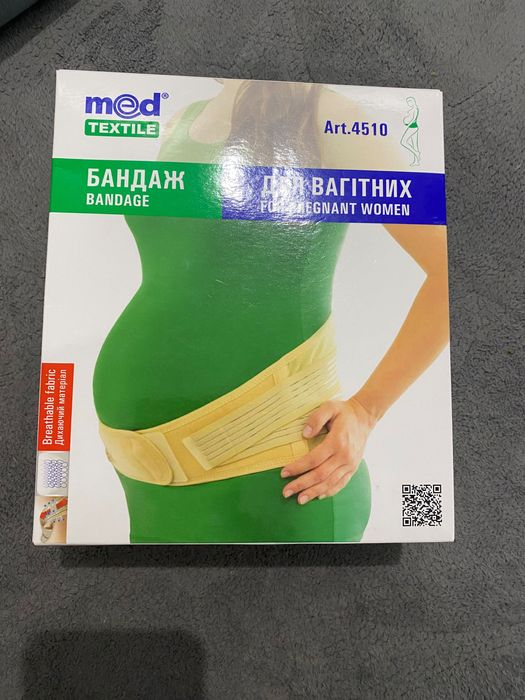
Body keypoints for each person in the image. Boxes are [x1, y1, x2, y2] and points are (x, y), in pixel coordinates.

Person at [93, 79, 449, 543]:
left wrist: (366, 410)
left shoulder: (326, 114)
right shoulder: (183, 119)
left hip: (277, 480)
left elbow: (452, 271)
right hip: (144, 486)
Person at [400, 96, 421, 166]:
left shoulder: (415, 109)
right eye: (408, 102)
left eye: (409, 102)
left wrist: (408, 124)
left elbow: (414, 119)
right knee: (415, 145)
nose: (409, 103)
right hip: (413, 127)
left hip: (412, 127)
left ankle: (416, 153)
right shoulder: (412, 109)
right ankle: (416, 161)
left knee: (403, 141)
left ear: (413, 101)